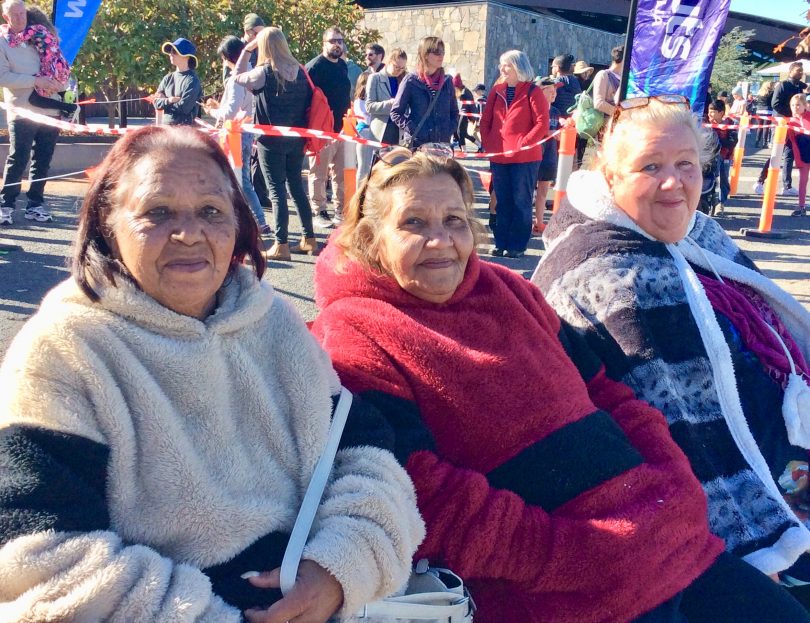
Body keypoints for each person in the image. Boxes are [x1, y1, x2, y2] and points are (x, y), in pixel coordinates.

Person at [311, 146, 810, 623]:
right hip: (556, 587)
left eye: (455, 221)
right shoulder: (355, 328)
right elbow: (412, 486)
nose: (441, 241)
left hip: (665, 537)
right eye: (413, 224)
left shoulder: (509, 289)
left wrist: (674, 484)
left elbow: (609, 392)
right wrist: (560, 555)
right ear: (372, 239)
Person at [0, 125, 423, 622]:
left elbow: (365, 458)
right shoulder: (65, 348)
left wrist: (338, 570)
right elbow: (40, 556)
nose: (189, 233)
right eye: (157, 212)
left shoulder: (272, 323)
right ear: (106, 225)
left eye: (210, 212)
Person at [533, 95, 810, 608]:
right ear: (610, 177)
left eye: (686, 164)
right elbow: (686, 435)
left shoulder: (699, 236)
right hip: (712, 533)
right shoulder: (612, 277)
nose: (673, 182)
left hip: (783, 468)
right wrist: (759, 551)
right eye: (650, 167)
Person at [234, 27, 319, 260]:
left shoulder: (263, 72)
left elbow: (237, 76)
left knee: (276, 191)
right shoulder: (301, 70)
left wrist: (247, 49)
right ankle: (309, 238)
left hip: (270, 141)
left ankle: (281, 244)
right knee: (296, 188)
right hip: (296, 139)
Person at [0, 0, 65, 225]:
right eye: (14, 15)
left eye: (22, 13)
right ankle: (6, 205)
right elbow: (3, 77)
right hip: (22, 110)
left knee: (43, 160)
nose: (19, 18)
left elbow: (59, 66)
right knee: (18, 158)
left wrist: (59, 84)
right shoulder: (2, 41)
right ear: (5, 17)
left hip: (50, 107)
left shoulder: (42, 37)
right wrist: (36, 80)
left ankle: (35, 204)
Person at [480, 49, 549, 258]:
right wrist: (489, 143)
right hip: (499, 156)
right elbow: (486, 121)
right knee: (502, 200)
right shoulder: (496, 90)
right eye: (501, 64)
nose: (502, 69)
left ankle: (517, 245)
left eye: (507, 64)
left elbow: (541, 123)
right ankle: (501, 242)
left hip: (525, 158)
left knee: (521, 201)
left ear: (518, 67)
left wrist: (524, 143)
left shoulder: (533, 92)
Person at [204, 35, 270, 236]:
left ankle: (254, 222)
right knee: (242, 180)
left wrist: (212, 112)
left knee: (236, 179)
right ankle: (255, 221)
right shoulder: (254, 73)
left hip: (235, 133)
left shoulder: (236, 79)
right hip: (247, 131)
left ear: (227, 57)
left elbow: (230, 112)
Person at [306, 26, 351, 229]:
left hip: (342, 129)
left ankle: (340, 211)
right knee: (318, 173)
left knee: (341, 174)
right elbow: (305, 99)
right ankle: (319, 211)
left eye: (340, 41)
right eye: (332, 41)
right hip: (320, 129)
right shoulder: (314, 67)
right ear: (324, 43)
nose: (336, 44)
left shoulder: (342, 65)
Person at [390, 36, 458, 148]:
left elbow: (454, 112)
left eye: (442, 52)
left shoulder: (447, 81)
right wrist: (413, 128)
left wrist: (449, 130)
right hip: (418, 145)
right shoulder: (411, 80)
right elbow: (396, 112)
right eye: (436, 52)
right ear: (425, 55)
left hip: (442, 145)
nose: (441, 55)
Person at [772, 62, 806, 196]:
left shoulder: (798, 87)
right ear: (790, 71)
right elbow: (775, 104)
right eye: (798, 70)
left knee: (788, 153)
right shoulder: (783, 85)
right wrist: (790, 113)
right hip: (782, 122)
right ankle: (762, 180)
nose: (801, 73)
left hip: (792, 123)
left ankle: (787, 185)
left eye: (801, 71)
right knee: (778, 153)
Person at [153, 37, 203, 126]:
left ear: (187, 56)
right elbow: (156, 103)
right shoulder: (167, 78)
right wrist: (169, 100)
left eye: (174, 51)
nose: (170, 54)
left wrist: (163, 101)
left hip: (184, 132)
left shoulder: (192, 80)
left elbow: (184, 109)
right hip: (165, 130)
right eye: (170, 52)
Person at [533, 77, 560, 234]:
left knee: (543, 190)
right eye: (550, 90)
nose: (554, 94)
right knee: (528, 190)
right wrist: (547, 133)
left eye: (555, 90)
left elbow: (560, 130)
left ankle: (539, 222)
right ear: (541, 92)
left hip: (550, 155)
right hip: (533, 155)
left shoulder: (555, 112)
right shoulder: (533, 108)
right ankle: (525, 221)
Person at [366, 47, 408, 146]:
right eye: (396, 67)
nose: (399, 71)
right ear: (389, 62)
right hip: (381, 131)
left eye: (402, 68)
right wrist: (388, 104)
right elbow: (369, 106)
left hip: (399, 129)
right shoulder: (375, 78)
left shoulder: (404, 79)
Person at [706, 98, 737, 216]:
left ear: (721, 113)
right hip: (709, 157)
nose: (710, 114)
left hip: (725, 156)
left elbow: (731, 142)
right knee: (709, 178)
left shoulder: (729, 124)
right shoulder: (705, 123)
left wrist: (717, 137)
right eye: (709, 110)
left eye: (713, 111)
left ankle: (720, 203)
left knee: (723, 179)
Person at [788, 93, 810, 217]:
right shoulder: (790, 121)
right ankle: (801, 206)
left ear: (804, 105)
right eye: (792, 105)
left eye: (798, 105)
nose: (795, 107)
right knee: (803, 181)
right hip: (803, 154)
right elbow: (791, 141)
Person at [352, 71, 374, 183]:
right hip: (364, 131)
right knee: (363, 166)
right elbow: (367, 118)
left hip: (372, 132)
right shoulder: (359, 101)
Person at [592, 45, 623, 118]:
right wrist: (619, 114)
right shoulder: (603, 75)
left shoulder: (625, 78)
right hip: (606, 125)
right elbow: (598, 103)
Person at [452, 73, 481, 152]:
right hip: (465, 113)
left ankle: (464, 149)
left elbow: (465, 105)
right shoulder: (464, 91)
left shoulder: (464, 92)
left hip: (465, 114)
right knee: (464, 133)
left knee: (460, 131)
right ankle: (479, 145)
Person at [755, 80, 775, 149]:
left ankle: (757, 142)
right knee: (766, 127)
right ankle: (764, 143)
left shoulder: (759, 92)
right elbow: (773, 102)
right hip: (767, 110)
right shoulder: (771, 93)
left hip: (759, 110)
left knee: (759, 127)